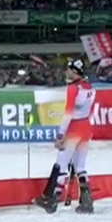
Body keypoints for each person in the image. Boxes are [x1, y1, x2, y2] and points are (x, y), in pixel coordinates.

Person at [35, 59, 96, 213]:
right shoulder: (90, 88)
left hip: (74, 129)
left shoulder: (73, 88)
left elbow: (68, 113)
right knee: (80, 166)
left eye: (69, 69)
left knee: (61, 164)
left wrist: (61, 134)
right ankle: (87, 202)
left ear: (75, 72)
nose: (66, 71)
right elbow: (91, 111)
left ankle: (52, 200)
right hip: (86, 128)